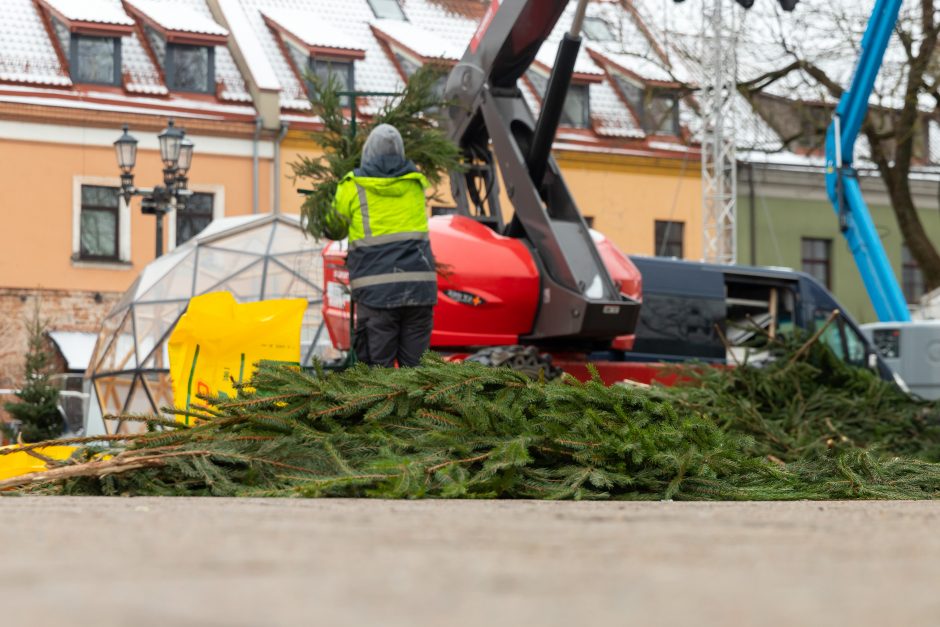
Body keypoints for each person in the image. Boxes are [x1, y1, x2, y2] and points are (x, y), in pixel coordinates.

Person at [331, 124, 437, 367]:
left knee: (378, 372)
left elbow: (332, 227)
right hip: (419, 290)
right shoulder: (415, 186)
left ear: (367, 151)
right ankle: (417, 406)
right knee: (417, 372)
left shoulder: (352, 186)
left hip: (376, 292)